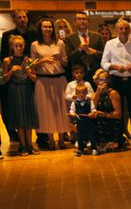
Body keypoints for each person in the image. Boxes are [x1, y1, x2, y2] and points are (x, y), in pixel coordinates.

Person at [31, 18, 72, 150]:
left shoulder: (59, 43)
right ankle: (50, 141)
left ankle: (61, 140)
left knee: (62, 109)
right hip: (43, 81)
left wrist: (60, 59)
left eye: (49, 27)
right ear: (40, 29)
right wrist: (42, 61)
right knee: (46, 110)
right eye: (45, 27)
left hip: (59, 79)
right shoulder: (35, 45)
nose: (48, 29)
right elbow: (32, 67)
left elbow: (66, 63)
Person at [101, 19, 131, 147]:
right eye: (121, 29)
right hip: (116, 80)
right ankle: (119, 137)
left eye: (126, 28)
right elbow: (103, 63)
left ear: (129, 30)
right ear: (116, 30)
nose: (124, 31)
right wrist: (115, 67)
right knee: (118, 110)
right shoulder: (110, 44)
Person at [1, 10, 36, 146]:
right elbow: (4, 59)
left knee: (29, 114)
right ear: (14, 19)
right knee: (16, 114)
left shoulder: (33, 33)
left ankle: (31, 143)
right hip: (14, 85)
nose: (22, 19)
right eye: (19, 17)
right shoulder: (7, 35)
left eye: (24, 16)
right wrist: (10, 69)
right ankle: (18, 141)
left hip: (28, 81)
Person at [65, 11, 105, 84]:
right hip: (78, 75)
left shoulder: (97, 36)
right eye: (79, 19)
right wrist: (79, 49)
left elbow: (104, 55)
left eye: (84, 19)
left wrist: (95, 52)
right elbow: (68, 57)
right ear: (75, 22)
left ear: (88, 22)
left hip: (95, 74)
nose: (82, 21)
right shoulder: (69, 38)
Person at [90, 70, 123, 153]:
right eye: (100, 79)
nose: (102, 81)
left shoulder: (113, 93)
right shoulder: (95, 94)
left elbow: (118, 114)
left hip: (111, 121)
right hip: (99, 121)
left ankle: (109, 141)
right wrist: (97, 93)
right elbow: (92, 108)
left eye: (105, 79)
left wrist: (103, 114)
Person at [68, 84, 97, 156]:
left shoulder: (90, 101)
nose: (81, 95)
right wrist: (73, 114)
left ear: (86, 92)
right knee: (80, 136)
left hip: (89, 122)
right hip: (80, 122)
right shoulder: (74, 102)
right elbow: (71, 110)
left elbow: (93, 110)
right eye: (79, 93)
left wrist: (92, 113)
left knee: (91, 135)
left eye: (83, 93)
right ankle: (80, 149)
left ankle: (94, 148)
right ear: (76, 94)